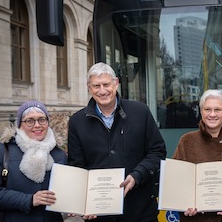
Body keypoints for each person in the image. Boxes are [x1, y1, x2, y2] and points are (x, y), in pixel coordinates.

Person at [68, 62, 167, 222]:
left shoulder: (141, 112)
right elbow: (77, 166)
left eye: (106, 84)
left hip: (140, 210)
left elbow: (157, 152)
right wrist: (84, 203)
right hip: (100, 214)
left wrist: (137, 175)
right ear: (89, 88)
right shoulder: (77, 122)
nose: (102, 90)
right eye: (96, 86)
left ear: (116, 83)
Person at [172, 89, 222, 222]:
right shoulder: (187, 141)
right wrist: (184, 202)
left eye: (217, 109)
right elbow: (176, 178)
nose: (212, 114)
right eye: (207, 109)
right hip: (196, 218)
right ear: (201, 111)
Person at [0, 100, 67, 222]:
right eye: (30, 120)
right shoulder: (3, 150)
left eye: (42, 119)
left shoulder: (58, 153)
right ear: (20, 124)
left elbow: (66, 192)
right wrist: (29, 200)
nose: (37, 125)